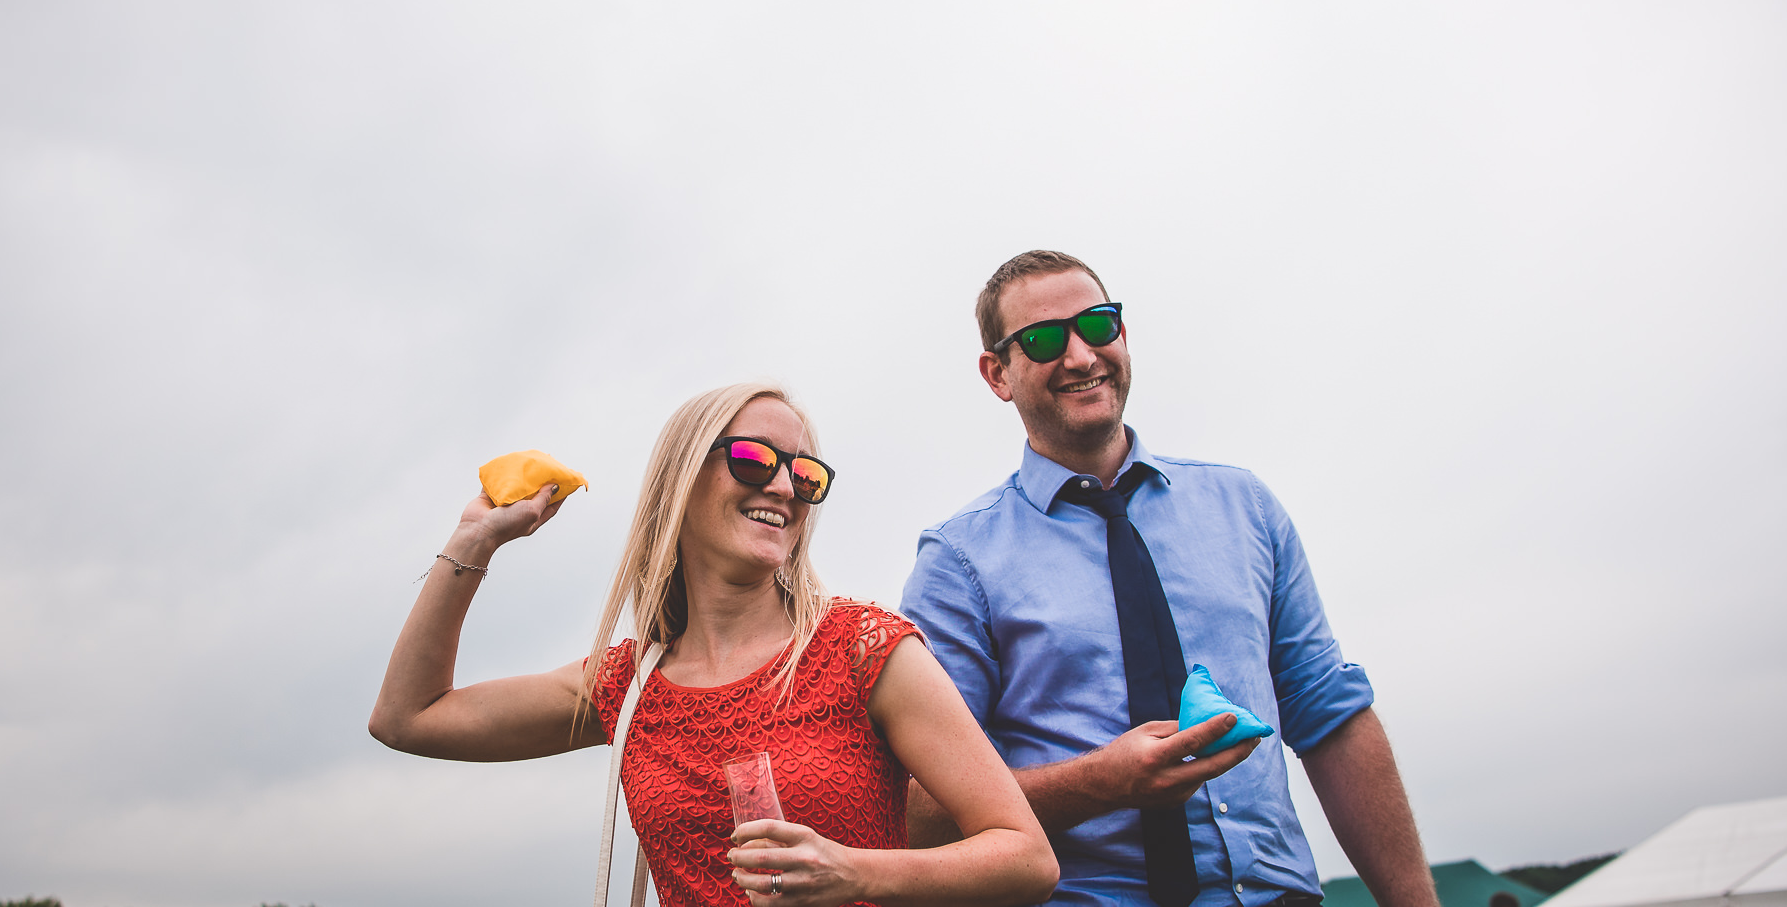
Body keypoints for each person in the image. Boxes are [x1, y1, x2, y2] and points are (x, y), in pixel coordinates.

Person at [371, 382, 1058, 907]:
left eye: (805, 473)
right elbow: (409, 717)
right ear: (681, 478)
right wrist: (471, 544)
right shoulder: (627, 683)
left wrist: (851, 868)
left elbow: (1026, 856)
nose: (786, 486)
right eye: (757, 460)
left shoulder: (861, 647)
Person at [900, 251, 1438, 907]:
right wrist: (1104, 780)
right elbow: (921, 809)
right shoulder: (959, 561)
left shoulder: (1246, 507)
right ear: (997, 373)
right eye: (1042, 339)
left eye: (1098, 325)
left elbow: (1332, 718)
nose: (1079, 355)